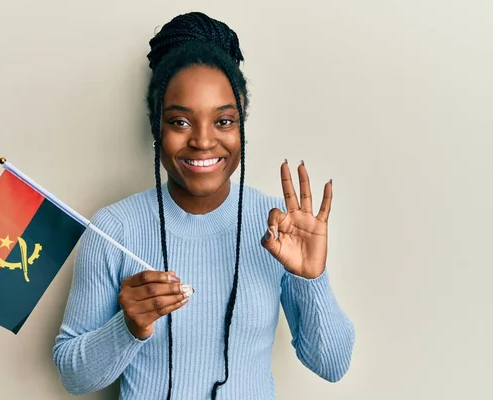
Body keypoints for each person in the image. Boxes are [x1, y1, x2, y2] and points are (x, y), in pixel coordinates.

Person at [52, 11, 355, 400]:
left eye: (224, 121)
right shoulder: (114, 229)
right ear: (155, 127)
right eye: (180, 122)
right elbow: (73, 378)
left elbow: (331, 365)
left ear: (241, 124)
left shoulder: (280, 227)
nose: (203, 141)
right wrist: (128, 327)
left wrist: (311, 279)